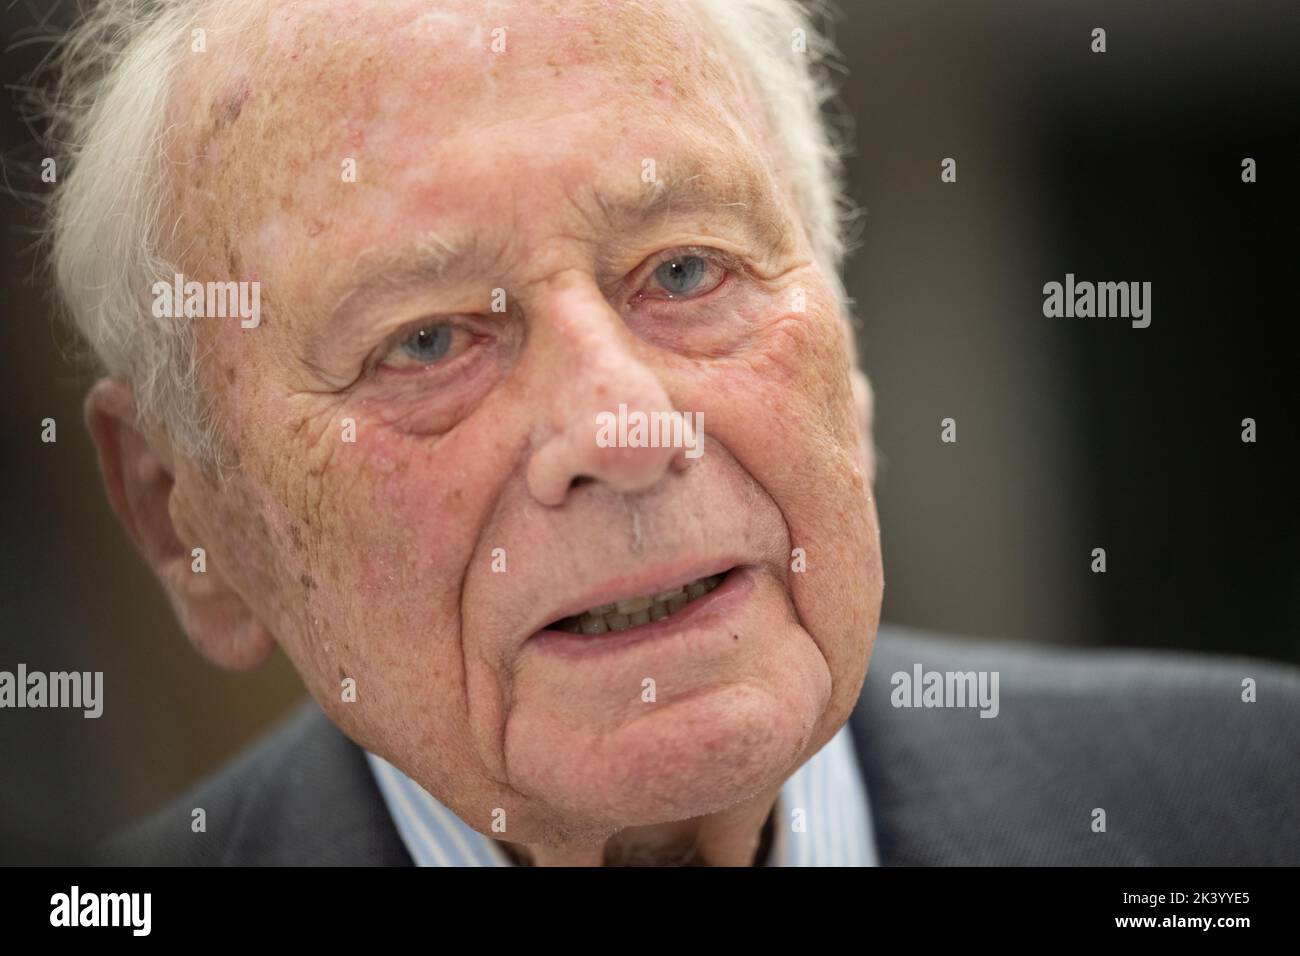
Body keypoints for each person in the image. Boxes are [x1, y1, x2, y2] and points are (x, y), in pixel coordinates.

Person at [47, 0, 1296, 866]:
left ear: (845, 343)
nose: (624, 425)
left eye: (687, 270)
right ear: (184, 519)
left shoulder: (1252, 797)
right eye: (425, 341)